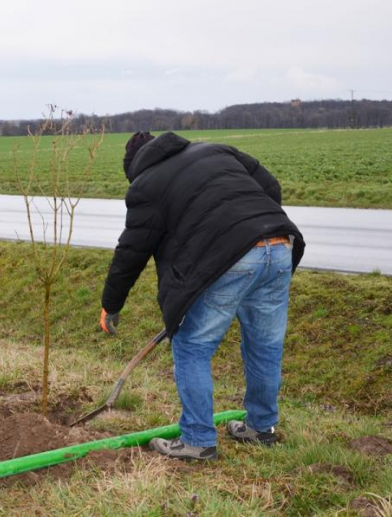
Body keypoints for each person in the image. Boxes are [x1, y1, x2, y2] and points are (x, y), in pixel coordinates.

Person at [100, 131, 305, 460]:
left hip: (232, 258)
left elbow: (131, 252)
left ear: (134, 166)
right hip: (279, 244)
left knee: (191, 347)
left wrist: (111, 304)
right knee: (265, 346)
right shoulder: (216, 150)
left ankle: (197, 440)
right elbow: (271, 187)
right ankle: (261, 428)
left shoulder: (147, 185)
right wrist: (254, 229)